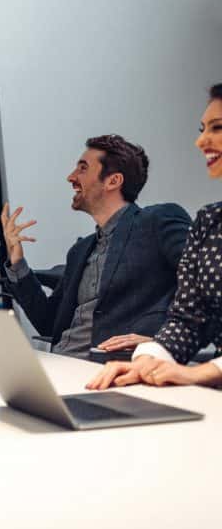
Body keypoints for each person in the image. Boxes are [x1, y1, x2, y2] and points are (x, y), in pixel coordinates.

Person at [0, 135, 190, 358]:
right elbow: (48, 324)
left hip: (107, 368)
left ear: (113, 181)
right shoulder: (80, 251)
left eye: (82, 168)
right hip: (61, 362)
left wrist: (164, 340)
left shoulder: (157, 221)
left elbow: (205, 285)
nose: (70, 177)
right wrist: (17, 262)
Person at [88, 87, 222, 390]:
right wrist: (148, 359)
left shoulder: (160, 220)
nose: (201, 141)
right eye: (202, 130)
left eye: (217, 128)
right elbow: (188, 319)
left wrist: (198, 373)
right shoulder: (209, 221)